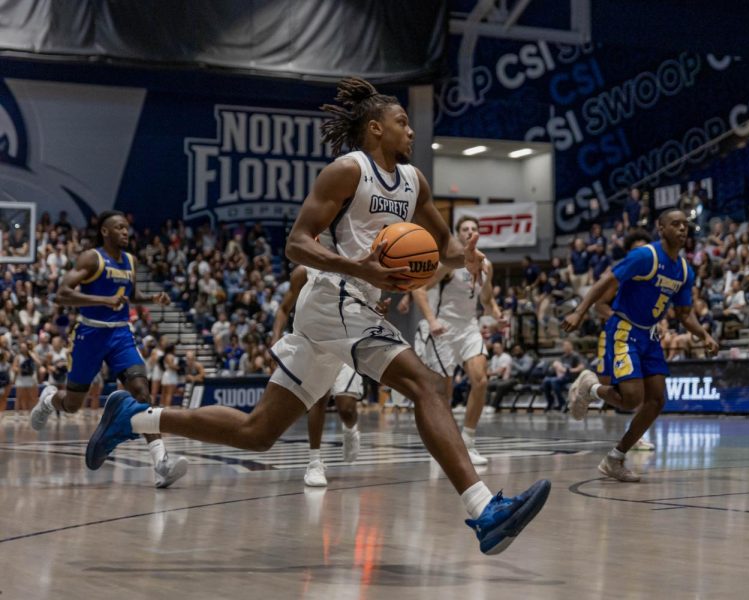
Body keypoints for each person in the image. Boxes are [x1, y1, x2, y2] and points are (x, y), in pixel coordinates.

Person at [86, 78, 549, 554]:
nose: (411, 132)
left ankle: (137, 418)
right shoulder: (346, 172)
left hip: (349, 308)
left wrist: (463, 259)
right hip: (334, 298)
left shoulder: (415, 183)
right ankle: (484, 510)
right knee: (428, 384)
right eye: (402, 123)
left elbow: (445, 248)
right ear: (375, 129)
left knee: (258, 431)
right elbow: (296, 243)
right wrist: (359, 267)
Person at [30, 210, 187, 488]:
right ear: (105, 231)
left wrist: (151, 298)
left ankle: (161, 463)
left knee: (141, 390)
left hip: (120, 334)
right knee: (73, 404)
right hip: (90, 333)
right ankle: (49, 399)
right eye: (119, 228)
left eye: (127, 228)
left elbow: (129, 295)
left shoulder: (130, 261)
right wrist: (103, 300)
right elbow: (62, 294)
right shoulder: (92, 258)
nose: (126, 232)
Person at [562, 209, 718, 481]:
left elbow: (684, 314)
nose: (683, 229)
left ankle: (615, 458)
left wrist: (703, 335)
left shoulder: (684, 270)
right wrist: (580, 311)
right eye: (676, 224)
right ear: (661, 228)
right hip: (624, 328)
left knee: (657, 400)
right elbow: (606, 281)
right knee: (631, 399)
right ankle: (591, 387)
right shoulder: (645, 256)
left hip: (650, 335)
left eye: (685, 225)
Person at [411, 216, 502, 466]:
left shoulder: (486, 265)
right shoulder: (448, 264)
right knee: (444, 391)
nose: (469, 232)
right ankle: (443, 444)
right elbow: (418, 288)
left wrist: (497, 314)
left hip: (469, 327)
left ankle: (468, 442)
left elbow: (486, 299)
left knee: (481, 380)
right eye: (465, 229)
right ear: (458, 235)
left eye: (474, 228)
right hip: (444, 327)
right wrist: (431, 321)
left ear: (478, 234)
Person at [567, 229, 656, 451]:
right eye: (637, 249)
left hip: (641, 337)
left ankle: (636, 436)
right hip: (616, 334)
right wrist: (626, 321)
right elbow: (599, 305)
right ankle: (588, 385)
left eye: (646, 249)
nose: (642, 253)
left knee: (641, 386)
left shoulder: (653, 275)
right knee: (609, 386)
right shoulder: (621, 273)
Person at [272, 265, 362, 487]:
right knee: (317, 403)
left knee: (347, 409)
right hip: (314, 345)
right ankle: (314, 462)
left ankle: (350, 428)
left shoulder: (352, 266)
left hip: (345, 345)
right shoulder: (303, 272)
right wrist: (275, 339)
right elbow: (284, 309)